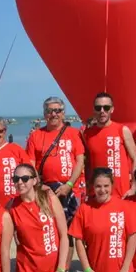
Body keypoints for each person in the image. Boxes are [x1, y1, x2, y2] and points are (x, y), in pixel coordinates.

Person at [9, 163, 78, 272]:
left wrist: (61, 269)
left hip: (53, 265)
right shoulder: (12, 207)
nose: (20, 182)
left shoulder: (48, 197)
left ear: (34, 180)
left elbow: (63, 235)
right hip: (29, 267)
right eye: (16, 178)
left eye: (25, 178)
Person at [68, 167, 136, 272]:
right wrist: (87, 271)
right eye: (98, 186)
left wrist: (125, 269)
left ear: (112, 185)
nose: (102, 190)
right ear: (92, 186)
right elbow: (78, 240)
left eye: (106, 186)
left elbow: (132, 237)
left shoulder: (124, 206)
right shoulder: (85, 209)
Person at [26, 97, 85, 244]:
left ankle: (64, 266)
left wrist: (69, 184)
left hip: (70, 188)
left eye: (57, 110)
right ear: (45, 114)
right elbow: (30, 164)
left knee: (70, 231)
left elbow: (80, 161)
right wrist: (39, 186)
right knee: (48, 229)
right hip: (45, 189)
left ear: (63, 113)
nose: (54, 114)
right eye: (50, 111)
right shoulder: (36, 135)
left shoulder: (73, 133)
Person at [84, 92, 136, 198]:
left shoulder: (122, 130)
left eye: (106, 107)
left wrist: (134, 187)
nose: (102, 111)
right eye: (98, 108)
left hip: (121, 193)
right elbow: (87, 164)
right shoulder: (87, 134)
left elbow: (134, 160)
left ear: (112, 109)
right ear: (93, 110)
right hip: (98, 193)